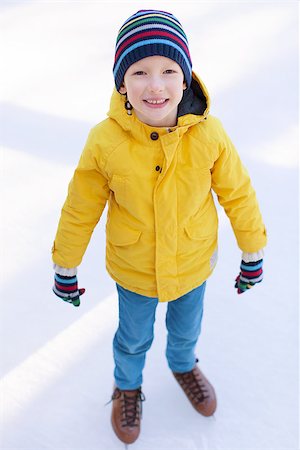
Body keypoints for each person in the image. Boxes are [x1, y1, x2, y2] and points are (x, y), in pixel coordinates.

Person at [51, 9, 267, 445]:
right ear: (122, 84)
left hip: (191, 261)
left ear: (185, 79)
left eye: (169, 70)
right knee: (132, 338)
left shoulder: (209, 135)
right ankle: (127, 387)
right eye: (140, 71)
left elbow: (238, 194)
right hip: (135, 270)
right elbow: (80, 208)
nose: (155, 85)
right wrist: (66, 265)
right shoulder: (105, 142)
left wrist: (252, 251)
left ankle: (183, 364)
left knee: (187, 328)